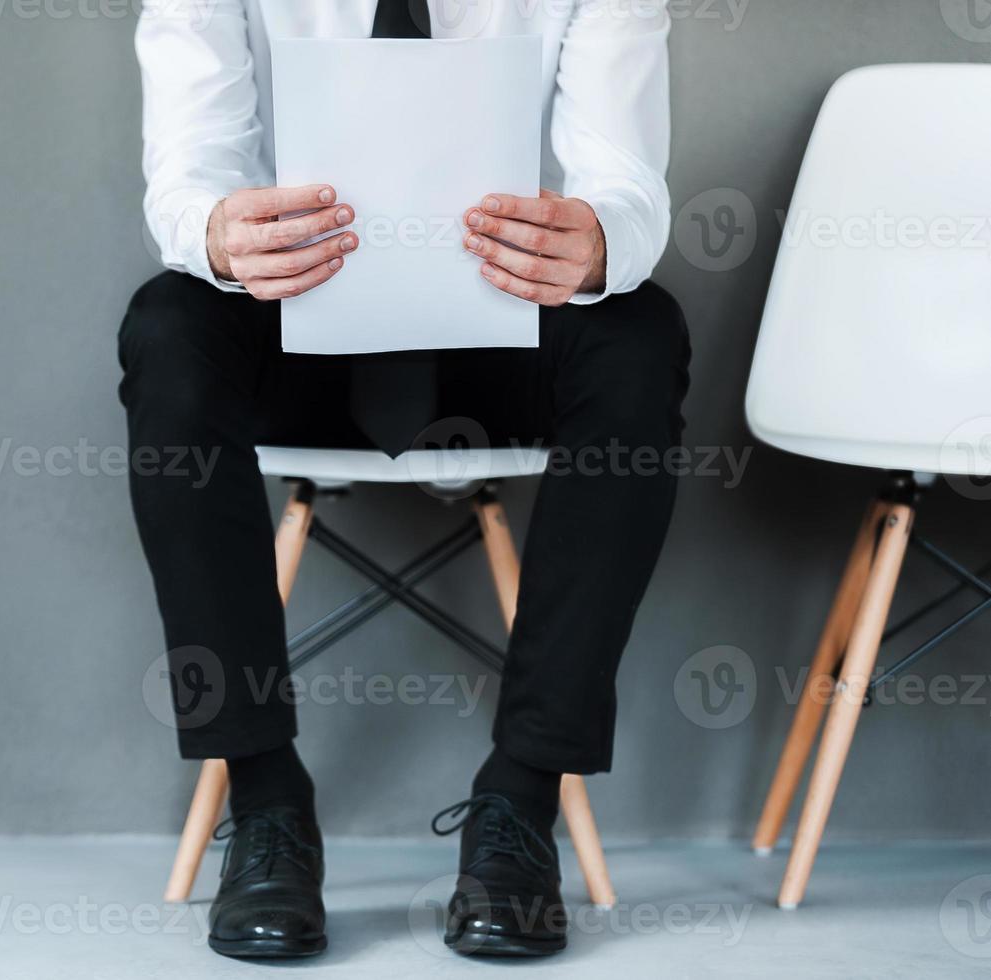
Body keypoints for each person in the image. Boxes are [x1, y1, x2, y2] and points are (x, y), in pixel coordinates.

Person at [119, 0, 690, 960]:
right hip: (298, 325)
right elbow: (188, 169)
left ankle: (520, 798)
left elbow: (624, 179)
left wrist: (598, 239)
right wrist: (216, 233)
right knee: (168, 329)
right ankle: (264, 800)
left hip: (493, 317)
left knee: (638, 336)